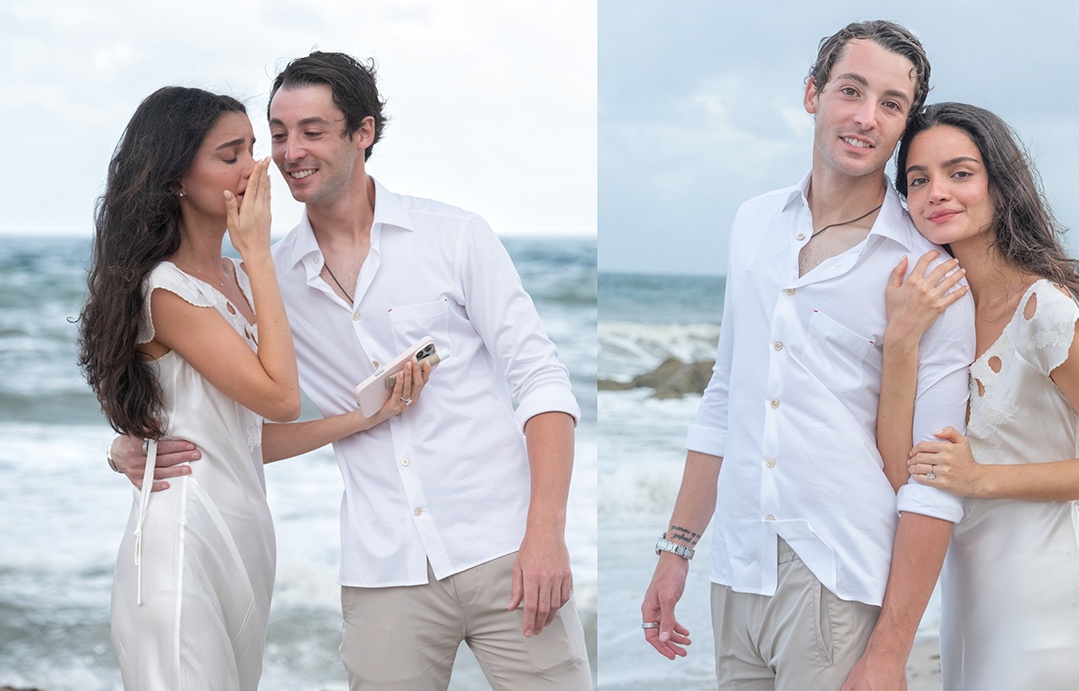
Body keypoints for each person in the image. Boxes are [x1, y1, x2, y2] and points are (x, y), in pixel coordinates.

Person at [112, 52, 591, 690]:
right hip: (382, 569)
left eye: (312, 131)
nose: (287, 153)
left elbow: (541, 382)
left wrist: (546, 535)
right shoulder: (266, 278)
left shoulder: (455, 238)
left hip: (505, 547)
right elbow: (221, 403)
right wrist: (133, 441)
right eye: (277, 134)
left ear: (363, 133)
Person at [639, 21, 976, 689]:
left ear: (905, 123)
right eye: (850, 91)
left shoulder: (929, 273)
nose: (865, 118)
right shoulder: (753, 221)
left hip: (836, 574)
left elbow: (931, 480)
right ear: (812, 95)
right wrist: (677, 545)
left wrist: (889, 651)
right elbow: (727, 393)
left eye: (890, 104)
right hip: (736, 567)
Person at [80, 87, 428, 689]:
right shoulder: (168, 291)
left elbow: (249, 436)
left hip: (245, 539)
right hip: (184, 540)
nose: (256, 166)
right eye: (230, 154)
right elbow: (280, 395)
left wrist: (366, 418)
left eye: (252, 147)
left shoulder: (238, 276)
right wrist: (259, 250)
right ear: (175, 180)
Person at [877, 101, 1079, 689]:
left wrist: (981, 479)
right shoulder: (937, 314)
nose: (937, 193)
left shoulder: (1044, 309)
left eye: (960, 173)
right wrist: (901, 342)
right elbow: (899, 469)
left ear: (1000, 186)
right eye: (918, 180)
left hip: (1044, 608)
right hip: (963, 602)